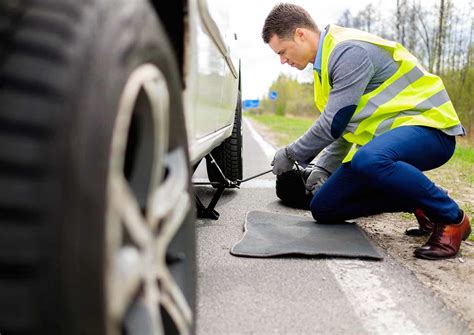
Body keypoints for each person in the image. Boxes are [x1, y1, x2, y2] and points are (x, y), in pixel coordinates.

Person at [261, 3, 471, 260]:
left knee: (367, 160)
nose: (282, 60)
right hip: (387, 145)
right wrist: (323, 169)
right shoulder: (323, 70)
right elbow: (345, 128)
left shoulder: (348, 51)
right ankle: (419, 199)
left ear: (300, 34)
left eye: (282, 51)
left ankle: (451, 218)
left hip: (431, 130)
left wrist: (291, 153)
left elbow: (333, 123)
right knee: (324, 207)